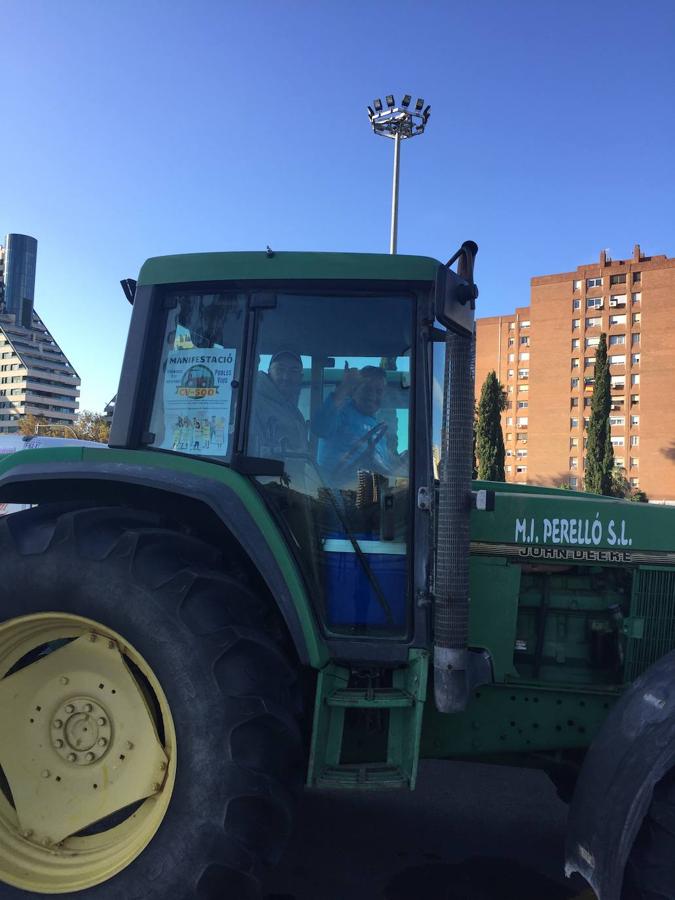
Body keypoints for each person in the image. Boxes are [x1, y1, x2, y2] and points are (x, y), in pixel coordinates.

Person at [312, 365, 406, 483]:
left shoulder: (377, 428)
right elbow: (320, 428)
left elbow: (385, 466)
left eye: (379, 391)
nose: (372, 395)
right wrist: (344, 387)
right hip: (334, 493)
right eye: (367, 389)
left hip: (370, 490)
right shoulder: (340, 412)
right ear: (354, 389)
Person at [249, 351, 308, 459]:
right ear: (269, 372)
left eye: (293, 371)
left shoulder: (294, 411)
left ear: (301, 377)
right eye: (280, 369)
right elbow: (251, 452)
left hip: (290, 475)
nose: (286, 377)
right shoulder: (253, 403)